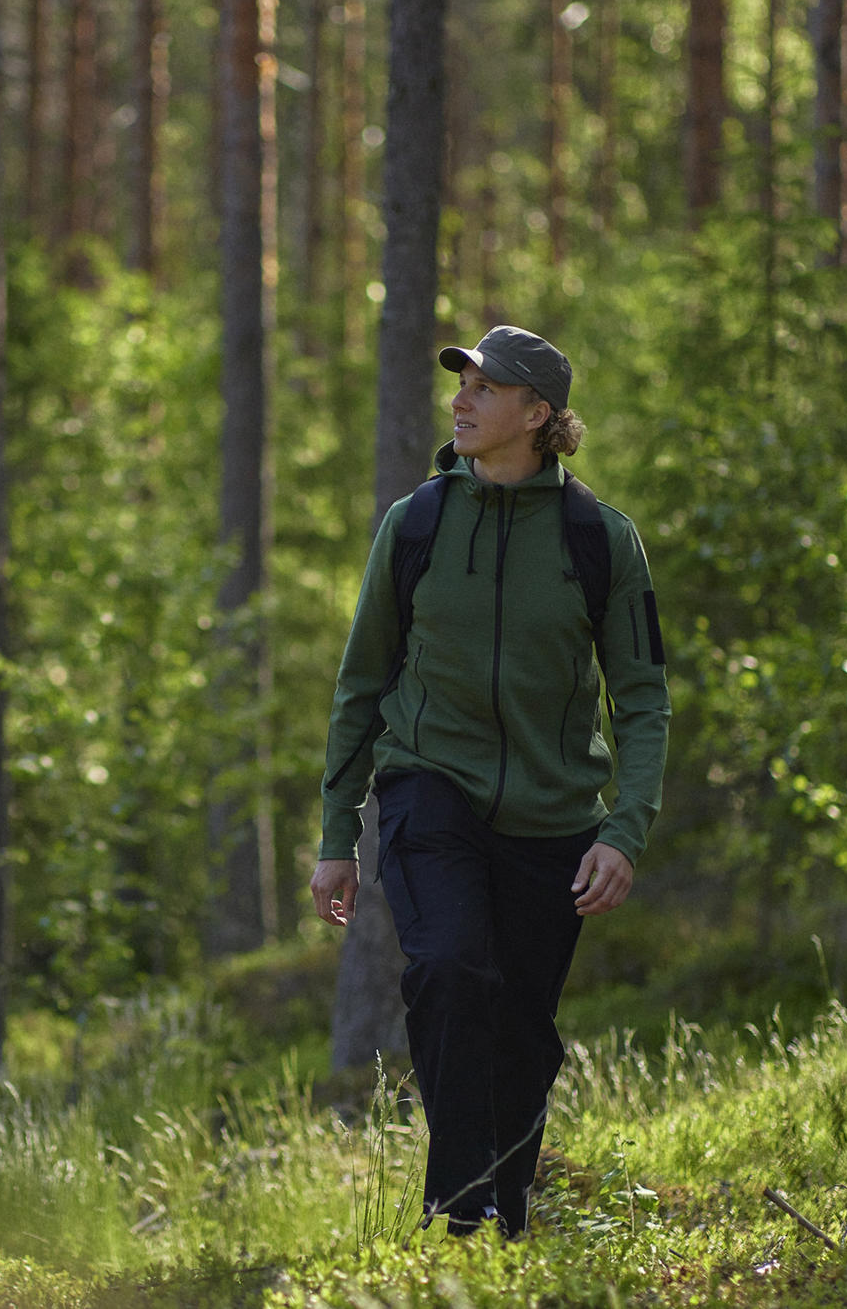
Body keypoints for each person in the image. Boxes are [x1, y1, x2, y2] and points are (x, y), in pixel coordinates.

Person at [310, 324, 670, 1238]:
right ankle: (456, 1207)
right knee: (450, 967)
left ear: (538, 414)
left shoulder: (600, 539)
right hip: (430, 784)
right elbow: (362, 682)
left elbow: (642, 697)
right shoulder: (418, 523)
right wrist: (335, 837)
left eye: (484, 388)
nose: (461, 401)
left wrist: (623, 832)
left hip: (554, 815)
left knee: (523, 1031)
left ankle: (506, 1215)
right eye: (460, 384)